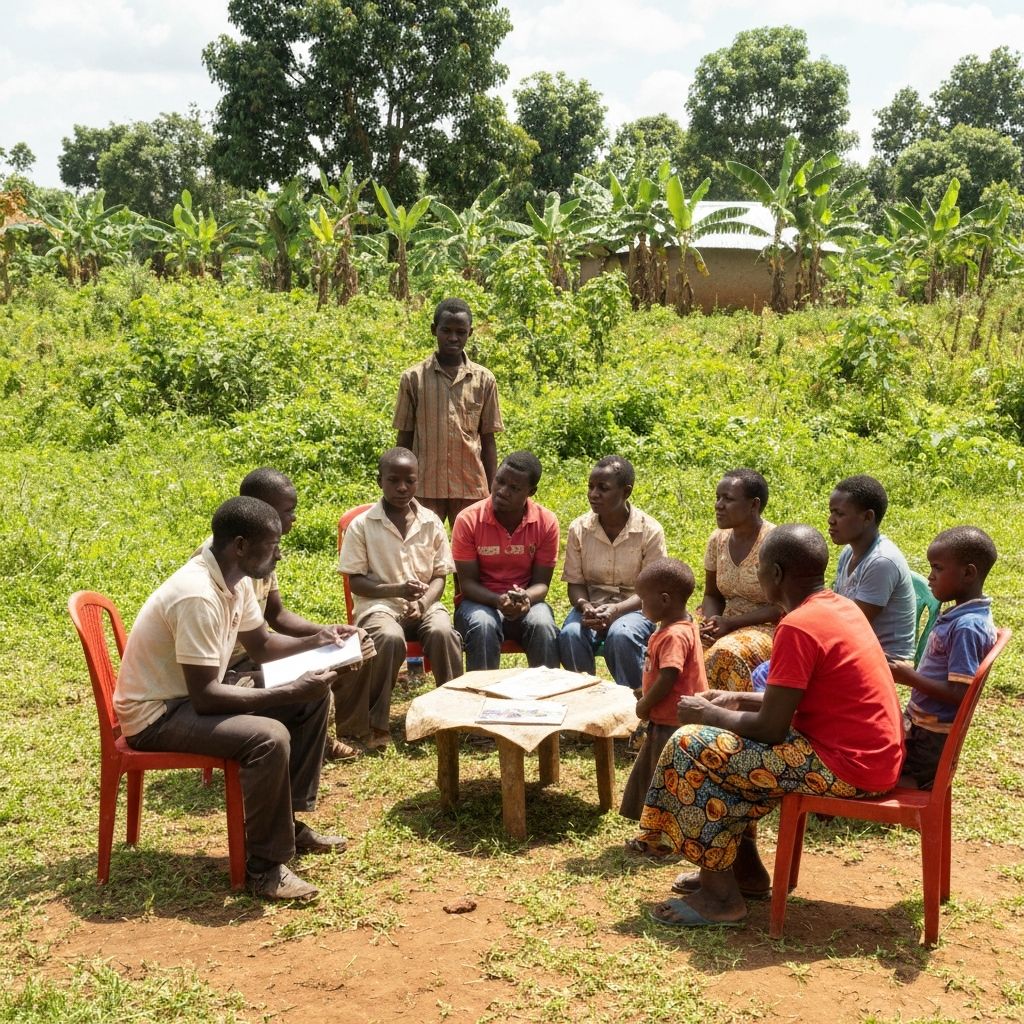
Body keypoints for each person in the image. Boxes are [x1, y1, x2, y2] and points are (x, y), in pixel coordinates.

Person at [629, 524, 903, 928]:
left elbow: (772, 729)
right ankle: (745, 875)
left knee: (691, 746)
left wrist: (710, 715)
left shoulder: (796, 626)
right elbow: (798, 699)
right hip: (864, 753)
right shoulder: (837, 606)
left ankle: (721, 899)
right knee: (719, 747)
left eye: (759, 569)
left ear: (774, 574)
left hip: (847, 766)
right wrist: (731, 698)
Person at [116, 496, 374, 901]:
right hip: (158, 716)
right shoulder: (198, 594)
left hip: (189, 698)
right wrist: (286, 690)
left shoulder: (233, 580)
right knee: (268, 737)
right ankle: (265, 868)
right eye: (271, 545)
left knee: (312, 699)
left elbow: (263, 644)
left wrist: (320, 640)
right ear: (240, 545)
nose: (279, 553)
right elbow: (205, 698)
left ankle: (287, 823)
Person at [195, 468, 356, 762]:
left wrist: (326, 635)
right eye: (288, 511)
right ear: (260, 511)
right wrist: (311, 649)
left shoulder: (262, 550)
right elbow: (259, 644)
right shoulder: (228, 558)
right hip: (224, 664)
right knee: (310, 677)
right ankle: (306, 743)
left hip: (251, 651)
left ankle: (313, 740)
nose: (293, 518)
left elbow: (277, 615)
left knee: (338, 658)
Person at [336, 448, 464, 751]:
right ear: (380, 480)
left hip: (425, 604)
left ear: (418, 482)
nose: (402, 487)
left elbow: (439, 576)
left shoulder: (431, 522)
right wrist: (396, 590)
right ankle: (375, 723)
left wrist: (422, 603)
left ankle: (453, 714)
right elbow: (356, 581)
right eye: (393, 480)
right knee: (388, 637)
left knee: (444, 632)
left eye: (410, 480)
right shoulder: (363, 525)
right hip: (378, 606)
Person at [750, 474, 916, 690]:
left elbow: (852, 624)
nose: (831, 520)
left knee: (773, 675)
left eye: (840, 513)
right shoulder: (849, 552)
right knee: (768, 670)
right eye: (831, 512)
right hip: (853, 644)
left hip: (882, 657)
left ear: (867, 517)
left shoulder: (881, 562)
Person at [889, 526, 997, 790]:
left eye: (937, 568)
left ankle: (916, 785)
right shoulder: (961, 615)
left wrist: (909, 677)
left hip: (930, 739)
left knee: (868, 775)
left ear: (968, 573)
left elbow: (961, 693)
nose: (929, 577)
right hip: (919, 727)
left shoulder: (967, 627)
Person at [558, 455, 667, 688]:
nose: (593, 494)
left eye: (603, 488)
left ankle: (635, 706)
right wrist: (585, 607)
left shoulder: (650, 531)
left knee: (621, 636)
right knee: (570, 635)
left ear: (626, 492)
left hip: (635, 607)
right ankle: (584, 702)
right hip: (592, 606)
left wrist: (616, 610)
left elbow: (653, 591)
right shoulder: (579, 528)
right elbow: (575, 583)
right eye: (590, 487)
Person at [394, 297, 503, 526]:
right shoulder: (413, 378)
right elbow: (404, 437)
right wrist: (399, 484)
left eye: (460, 332)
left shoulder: (484, 380)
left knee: (470, 553)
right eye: (446, 330)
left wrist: (493, 490)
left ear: (470, 333)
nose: (453, 338)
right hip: (424, 486)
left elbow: (488, 440)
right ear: (434, 330)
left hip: (471, 486)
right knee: (421, 549)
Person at [452, 450, 560, 671]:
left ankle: (547, 697)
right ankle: (481, 697)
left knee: (542, 624)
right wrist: (498, 601)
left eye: (514, 488)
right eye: (499, 481)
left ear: (531, 492)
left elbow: (542, 583)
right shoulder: (469, 520)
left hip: (526, 603)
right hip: (479, 602)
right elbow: (468, 585)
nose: (502, 491)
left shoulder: (545, 522)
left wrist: (525, 598)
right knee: (482, 625)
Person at [619, 558, 707, 820]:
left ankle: (661, 837)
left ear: (665, 600)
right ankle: (655, 829)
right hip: (666, 718)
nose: (641, 605)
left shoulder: (674, 635)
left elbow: (670, 676)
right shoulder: (677, 627)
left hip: (673, 722)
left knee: (666, 783)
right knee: (652, 776)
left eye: (644, 600)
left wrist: (644, 705)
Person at [698, 469, 780, 691]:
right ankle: (667, 716)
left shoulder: (774, 544)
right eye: (718, 497)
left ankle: (732, 716)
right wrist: (708, 621)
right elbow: (711, 594)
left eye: (728, 499)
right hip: (724, 619)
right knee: (677, 638)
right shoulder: (718, 539)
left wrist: (731, 624)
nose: (719, 505)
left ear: (754, 505)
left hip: (768, 627)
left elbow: (782, 607)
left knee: (724, 653)